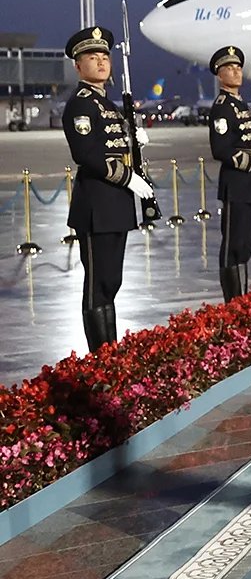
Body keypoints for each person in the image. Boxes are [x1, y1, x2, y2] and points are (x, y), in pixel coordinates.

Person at [61, 26, 155, 352]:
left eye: (104, 57)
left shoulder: (111, 106)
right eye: (92, 57)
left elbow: (117, 147)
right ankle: (101, 358)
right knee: (97, 286)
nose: (101, 62)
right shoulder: (81, 104)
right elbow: (86, 154)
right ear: (78, 65)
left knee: (112, 283)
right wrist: (127, 177)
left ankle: (111, 352)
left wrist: (133, 139)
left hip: (116, 206)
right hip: (96, 207)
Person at [207, 46, 251, 301]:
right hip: (235, 181)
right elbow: (222, 149)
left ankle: (242, 299)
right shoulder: (222, 106)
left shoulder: (243, 105)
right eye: (229, 68)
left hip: (249, 184)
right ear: (219, 75)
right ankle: (232, 302)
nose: (236, 72)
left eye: (238, 67)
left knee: (245, 246)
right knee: (232, 245)